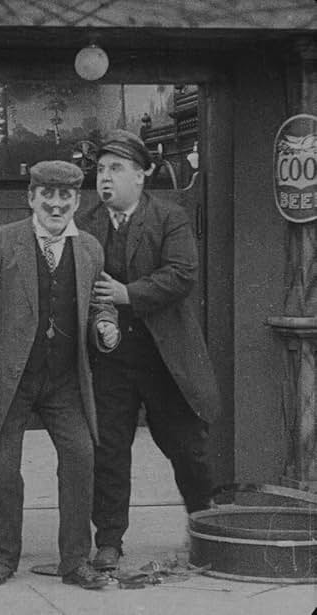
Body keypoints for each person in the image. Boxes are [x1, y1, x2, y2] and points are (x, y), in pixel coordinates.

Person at [0, 160, 120, 589]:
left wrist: (105, 326)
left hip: (63, 381)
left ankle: (75, 562)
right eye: (48, 195)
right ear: (31, 198)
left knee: (80, 459)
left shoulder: (91, 249)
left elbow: (100, 304)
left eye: (65, 197)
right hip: (7, 381)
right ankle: (3, 558)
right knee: (2, 469)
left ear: (78, 201)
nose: (56, 205)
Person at [75, 129, 221, 571]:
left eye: (116, 169)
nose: (105, 179)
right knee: (110, 451)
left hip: (165, 359)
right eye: (101, 170)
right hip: (110, 361)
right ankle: (110, 543)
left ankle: (206, 531)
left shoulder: (169, 217)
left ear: (140, 176)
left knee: (187, 449)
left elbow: (181, 275)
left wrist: (127, 294)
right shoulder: (86, 224)